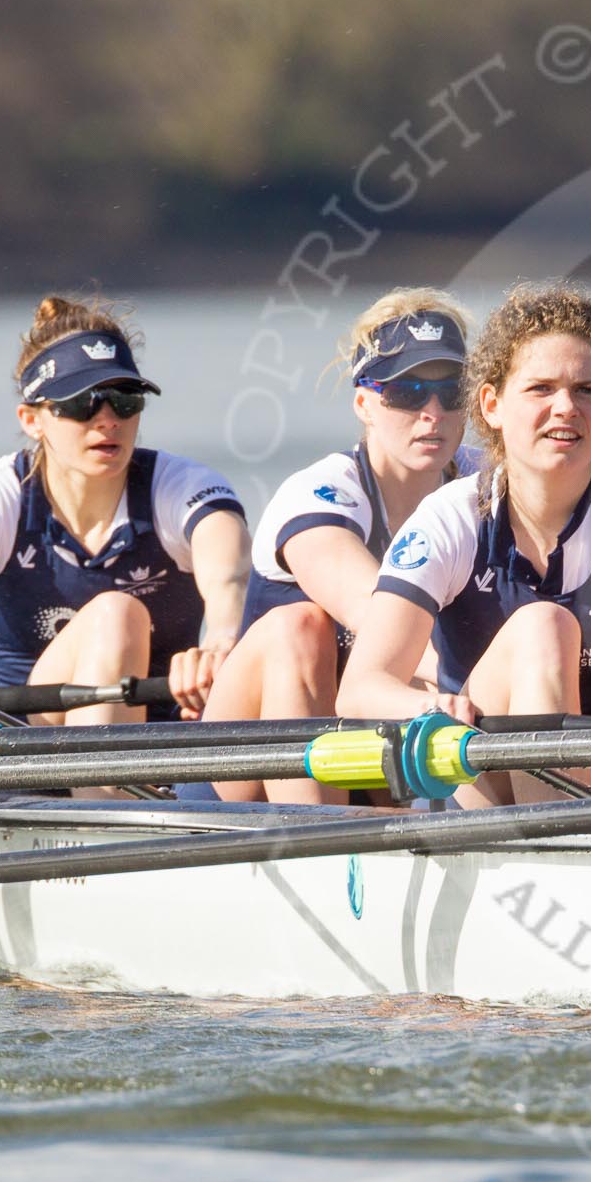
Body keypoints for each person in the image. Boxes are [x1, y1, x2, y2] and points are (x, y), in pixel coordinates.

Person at [335, 283, 591, 805]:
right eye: (541, 388)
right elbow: (362, 686)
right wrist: (425, 708)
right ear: (492, 405)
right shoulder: (452, 519)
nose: (565, 407)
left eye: (586, 391)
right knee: (544, 625)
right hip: (487, 784)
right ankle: (561, 841)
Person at [0, 294, 249, 728]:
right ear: (31, 419)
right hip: (28, 744)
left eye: (125, 399)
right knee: (115, 613)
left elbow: (231, 580)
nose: (108, 420)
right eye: (81, 403)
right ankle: (105, 794)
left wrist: (222, 642)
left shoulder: (184, 487)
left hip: (168, 749)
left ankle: (116, 791)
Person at [202, 288, 485, 803]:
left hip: (374, 759)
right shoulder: (320, 495)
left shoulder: (486, 484)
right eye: (406, 391)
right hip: (244, 779)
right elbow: (380, 626)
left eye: (453, 391)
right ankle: (314, 841)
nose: (433, 411)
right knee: (300, 627)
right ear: (364, 403)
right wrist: (488, 690)